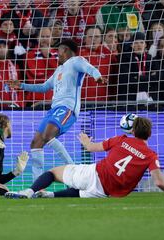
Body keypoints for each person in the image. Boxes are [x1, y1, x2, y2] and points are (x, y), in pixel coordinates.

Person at [5, 116, 164, 199]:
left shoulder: (121, 139)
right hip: (107, 192)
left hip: (95, 173)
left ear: (133, 132)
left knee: (53, 173)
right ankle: (49, 196)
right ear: (149, 134)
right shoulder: (151, 155)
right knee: (80, 192)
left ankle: (28, 192)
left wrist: (86, 141)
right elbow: (159, 182)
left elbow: (91, 148)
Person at [13, 39, 105, 181]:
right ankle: (37, 184)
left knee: (48, 135)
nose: (57, 53)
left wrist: (97, 77)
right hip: (54, 109)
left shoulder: (76, 61)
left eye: (59, 50)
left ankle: (75, 171)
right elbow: (43, 87)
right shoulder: (59, 70)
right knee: (36, 142)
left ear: (66, 49)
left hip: (67, 107)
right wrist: (22, 85)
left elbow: (90, 69)